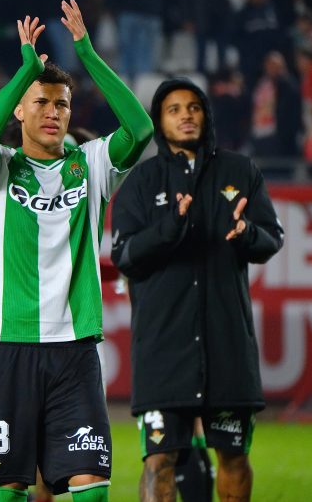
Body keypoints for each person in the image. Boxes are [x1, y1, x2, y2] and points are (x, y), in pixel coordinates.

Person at [0, 0, 153, 502]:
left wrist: (86, 53)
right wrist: (24, 72)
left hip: (75, 348)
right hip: (7, 343)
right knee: (8, 489)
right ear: (19, 110)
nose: (52, 112)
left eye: (62, 105)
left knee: (91, 487)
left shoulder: (91, 165)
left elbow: (141, 129)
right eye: (41, 102)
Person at [111, 77, 284, 502]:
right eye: (174, 109)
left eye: (193, 107)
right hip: (163, 351)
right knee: (159, 460)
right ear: (159, 121)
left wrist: (247, 232)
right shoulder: (141, 181)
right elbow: (124, 255)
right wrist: (169, 228)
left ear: (206, 115)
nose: (186, 115)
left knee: (234, 458)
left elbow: (272, 239)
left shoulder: (240, 171)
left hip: (226, 347)